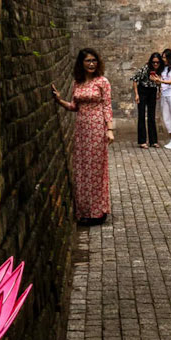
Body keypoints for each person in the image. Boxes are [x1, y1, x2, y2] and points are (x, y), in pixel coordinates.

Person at [53, 50, 114, 225]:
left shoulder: (102, 82)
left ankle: (98, 212)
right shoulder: (77, 83)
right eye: (88, 61)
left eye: (94, 60)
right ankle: (84, 210)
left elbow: (107, 106)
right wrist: (59, 101)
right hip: (81, 130)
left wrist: (109, 129)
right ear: (81, 63)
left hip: (97, 128)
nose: (91, 64)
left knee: (96, 169)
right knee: (82, 170)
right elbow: (74, 106)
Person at [132, 53, 163, 148]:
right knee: (141, 115)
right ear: (151, 62)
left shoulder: (160, 69)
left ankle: (153, 141)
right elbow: (135, 79)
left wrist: (158, 90)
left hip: (152, 91)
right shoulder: (145, 68)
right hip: (143, 90)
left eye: (157, 62)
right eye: (153, 62)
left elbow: (159, 82)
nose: (155, 64)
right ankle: (142, 141)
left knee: (151, 115)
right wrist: (136, 94)